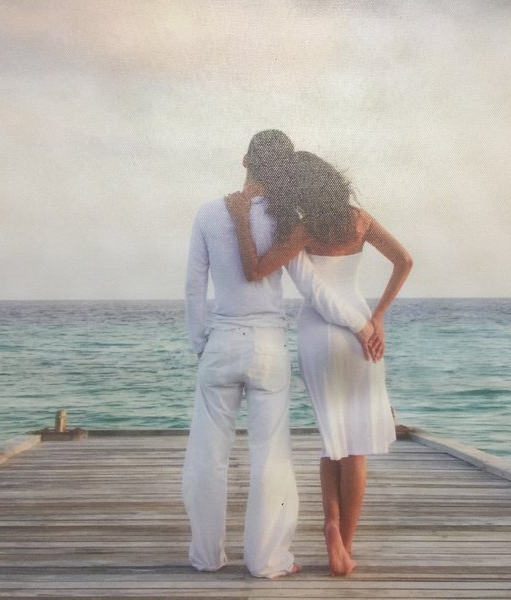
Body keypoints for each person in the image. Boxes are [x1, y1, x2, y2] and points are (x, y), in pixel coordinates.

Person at [182, 131, 377, 579]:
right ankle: (267, 560)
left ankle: (206, 556)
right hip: (268, 347)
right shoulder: (284, 219)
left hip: (221, 342)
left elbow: (194, 285)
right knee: (270, 455)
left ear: (245, 159)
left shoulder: (209, 213)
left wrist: (199, 342)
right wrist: (360, 323)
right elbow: (312, 287)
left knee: (207, 455)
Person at [225, 151, 412, 576]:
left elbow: (256, 270)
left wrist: (240, 221)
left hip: (317, 335)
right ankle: (344, 544)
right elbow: (405, 261)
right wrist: (379, 315)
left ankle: (329, 522)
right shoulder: (360, 220)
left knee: (334, 440)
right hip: (361, 329)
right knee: (356, 448)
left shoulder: (302, 229)